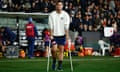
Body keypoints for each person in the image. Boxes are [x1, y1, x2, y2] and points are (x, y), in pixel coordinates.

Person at [48, 1, 70, 71]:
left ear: (62, 6)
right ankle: (54, 61)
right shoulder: (52, 15)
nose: (59, 6)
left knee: (61, 50)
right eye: (58, 5)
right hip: (54, 35)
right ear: (56, 6)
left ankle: (60, 66)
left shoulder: (66, 15)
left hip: (62, 35)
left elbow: (66, 26)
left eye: (60, 5)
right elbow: (50, 26)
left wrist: (67, 36)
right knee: (53, 50)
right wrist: (51, 35)